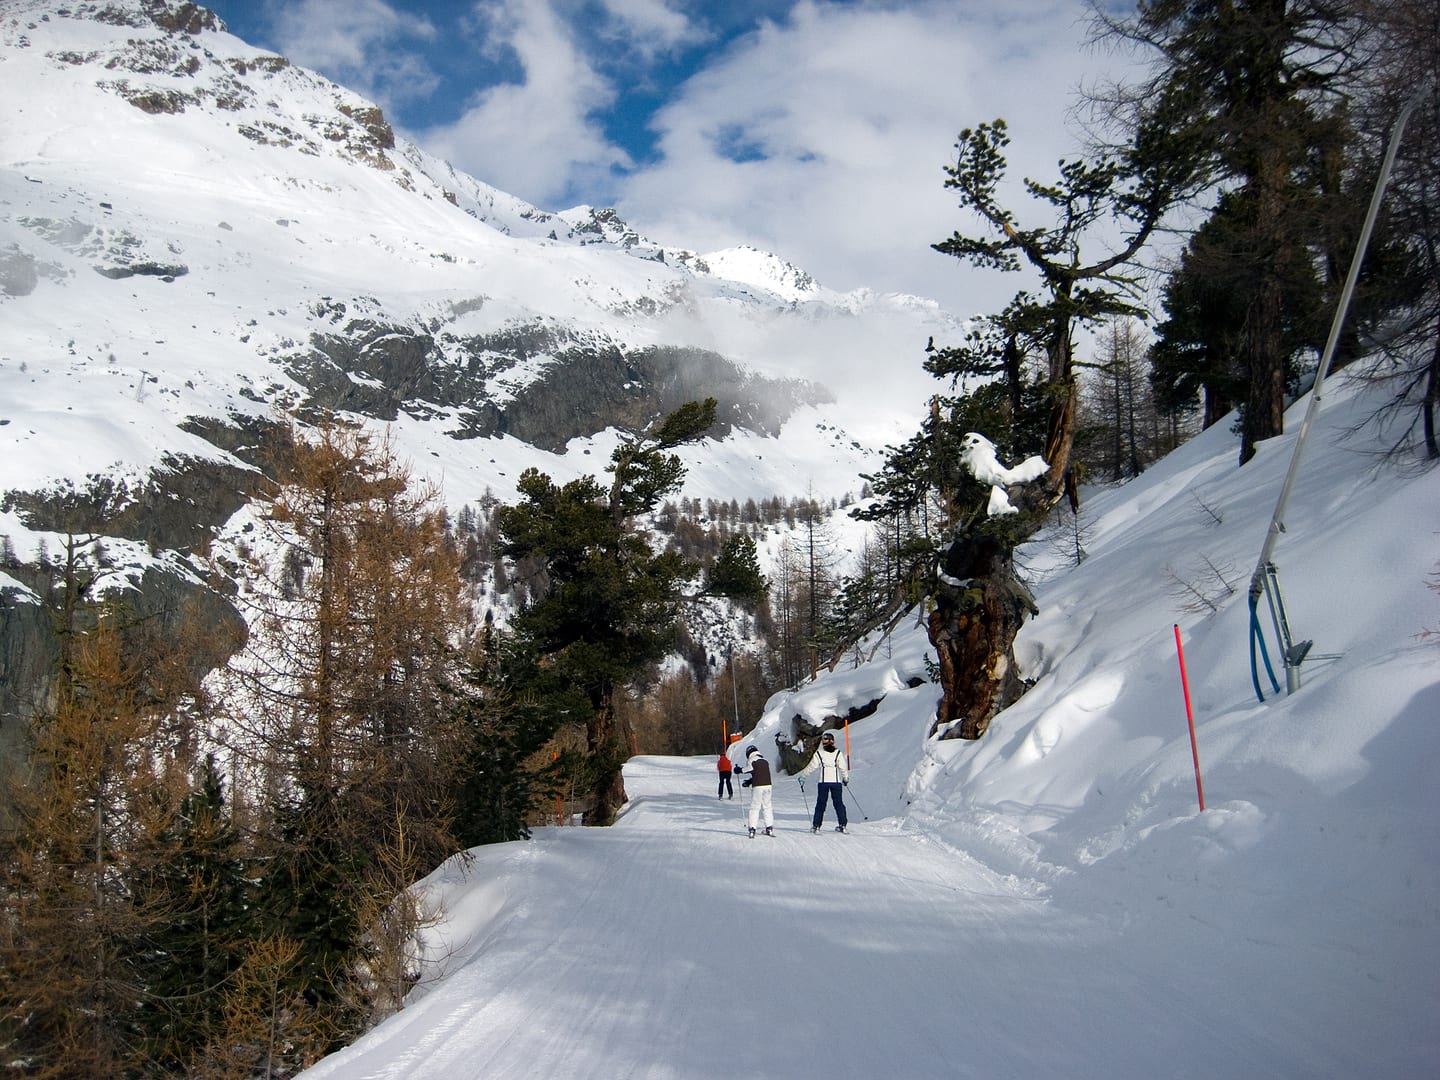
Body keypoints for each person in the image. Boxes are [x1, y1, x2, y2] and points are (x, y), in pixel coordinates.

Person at [801, 730, 849, 833]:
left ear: (823, 743)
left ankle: (816, 826)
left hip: (823, 782)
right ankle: (843, 825)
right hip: (836, 782)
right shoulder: (838, 753)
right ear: (833, 742)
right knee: (839, 804)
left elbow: (812, 766)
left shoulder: (819, 753)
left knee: (821, 804)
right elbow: (843, 768)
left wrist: (803, 776)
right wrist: (845, 778)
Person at [737, 745, 773, 837]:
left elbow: (750, 769)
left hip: (758, 787)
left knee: (755, 807)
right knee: (767, 807)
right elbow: (759, 773)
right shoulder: (765, 761)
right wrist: (749, 781)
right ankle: (769, 828)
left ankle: (752, 829)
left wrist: (739, 770)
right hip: (768, 786)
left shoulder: (752, 759)